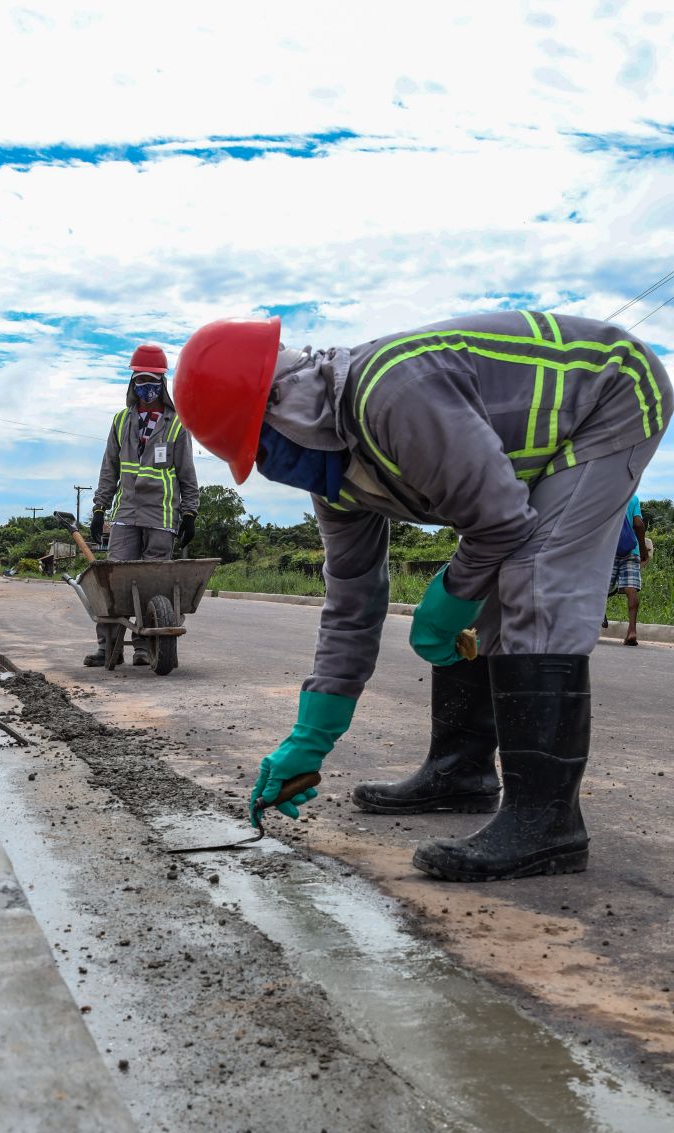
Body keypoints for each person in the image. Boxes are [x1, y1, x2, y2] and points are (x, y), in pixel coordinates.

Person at [175, 310, 672, 881]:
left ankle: (547, 823)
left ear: (287, 401)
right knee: (489, 584)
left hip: (611, 393)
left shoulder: (392, 394)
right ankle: (461, 773)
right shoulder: (336, 478)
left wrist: (447, 597)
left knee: (535, 578)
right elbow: (350, 605)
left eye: (260, 445)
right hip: (532, 453)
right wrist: (309, 737)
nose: (267, 466)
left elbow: (502, 525)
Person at [85, 344, 199, 667]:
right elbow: (109, 469)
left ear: (162, 385)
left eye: (152, 383)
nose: (146, 390)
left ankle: (144, 647)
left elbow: (187, 474)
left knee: (153, 587)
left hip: (161, 517)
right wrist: (98, 507)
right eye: (140, 382)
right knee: (114, 583)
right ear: (132, 384)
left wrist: (190, 512)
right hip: (125, 514)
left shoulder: (176, 425)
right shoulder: (121, 422)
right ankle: (109, 647)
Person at [602, 494, 649, 646]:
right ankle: (632, 631)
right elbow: (639, 524)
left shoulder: (604, 497)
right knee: (631, 589)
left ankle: (594, 617)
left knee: (598, 588)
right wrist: (643, 548)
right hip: (631, 550)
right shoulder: (633, 498)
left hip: (608, 551)